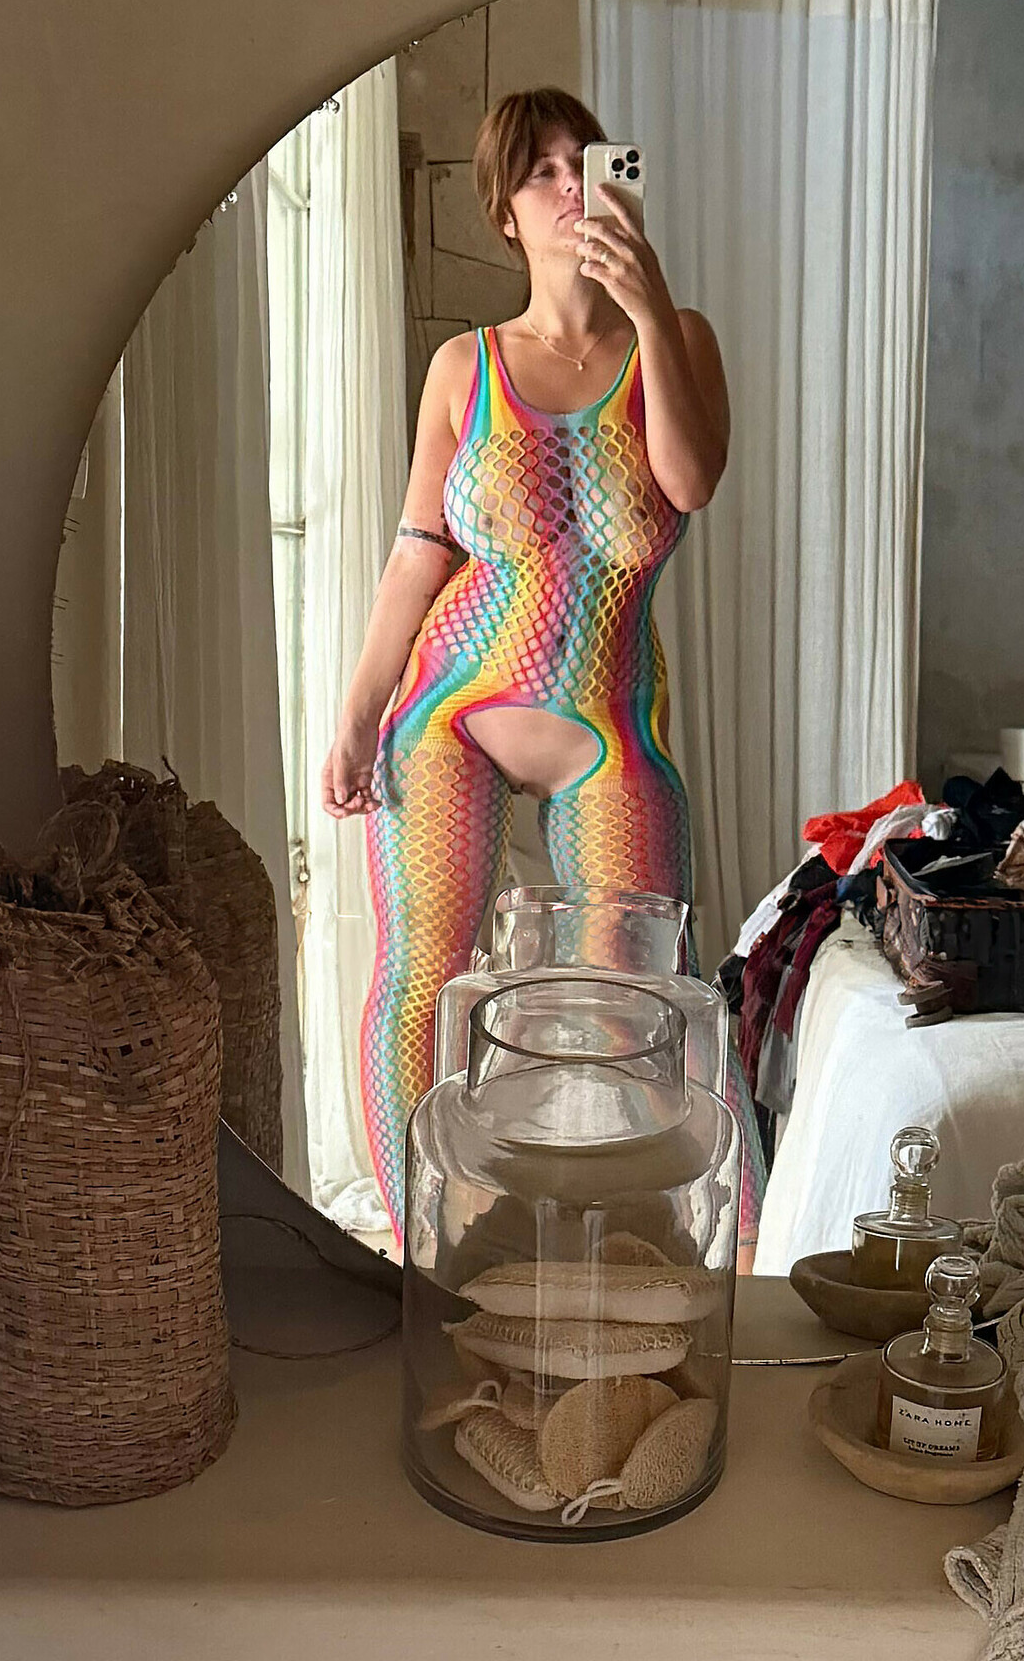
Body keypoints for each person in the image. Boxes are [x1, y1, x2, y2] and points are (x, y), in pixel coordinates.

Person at [321, 87, 742, 1245]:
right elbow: (419, 552)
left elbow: (690, 480)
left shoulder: (678, 338)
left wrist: (647, 305)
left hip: (608, 728)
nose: (568, 186)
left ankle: (618, 1248)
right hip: (450, 712)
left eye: (584, 162)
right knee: (423, 978)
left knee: (636, 997)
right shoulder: (464, 367)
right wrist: (356, 713)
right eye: (540, 172)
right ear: (504, 213)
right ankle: (422, 1253)